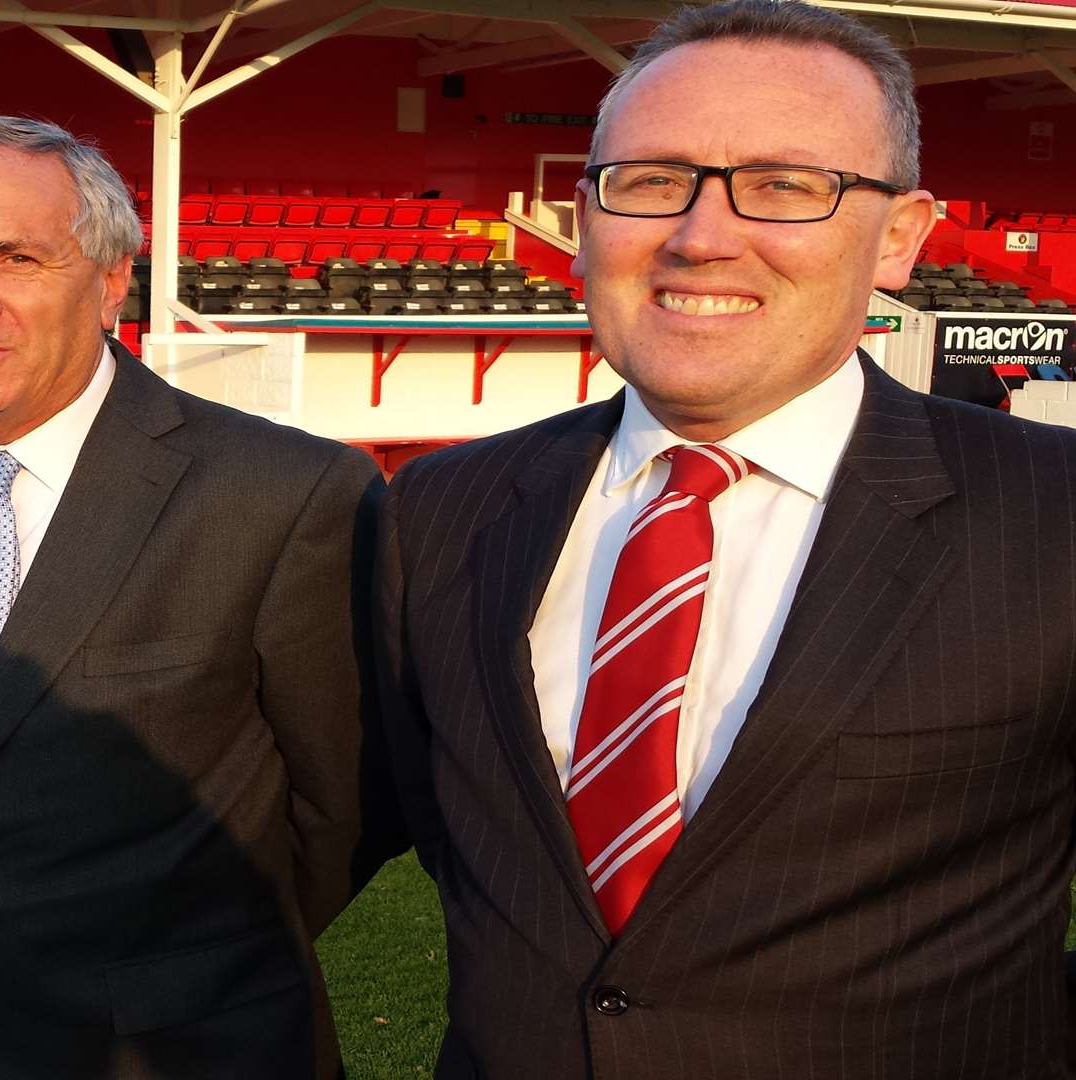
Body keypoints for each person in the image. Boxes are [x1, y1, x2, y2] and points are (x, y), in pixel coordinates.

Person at [377, 2, 1076, 1075]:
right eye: (652, 181)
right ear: (583, 218)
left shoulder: (1052, 517)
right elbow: (451, 843)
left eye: (788, 186)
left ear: (900, 237)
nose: (702, 235)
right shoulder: (440, 510)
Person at [0, 115, 390, 1078]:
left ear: (110, 281)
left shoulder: (286, 494)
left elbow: (348, 802)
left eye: (16, 257)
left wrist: (176, 966)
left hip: (156, 1048)